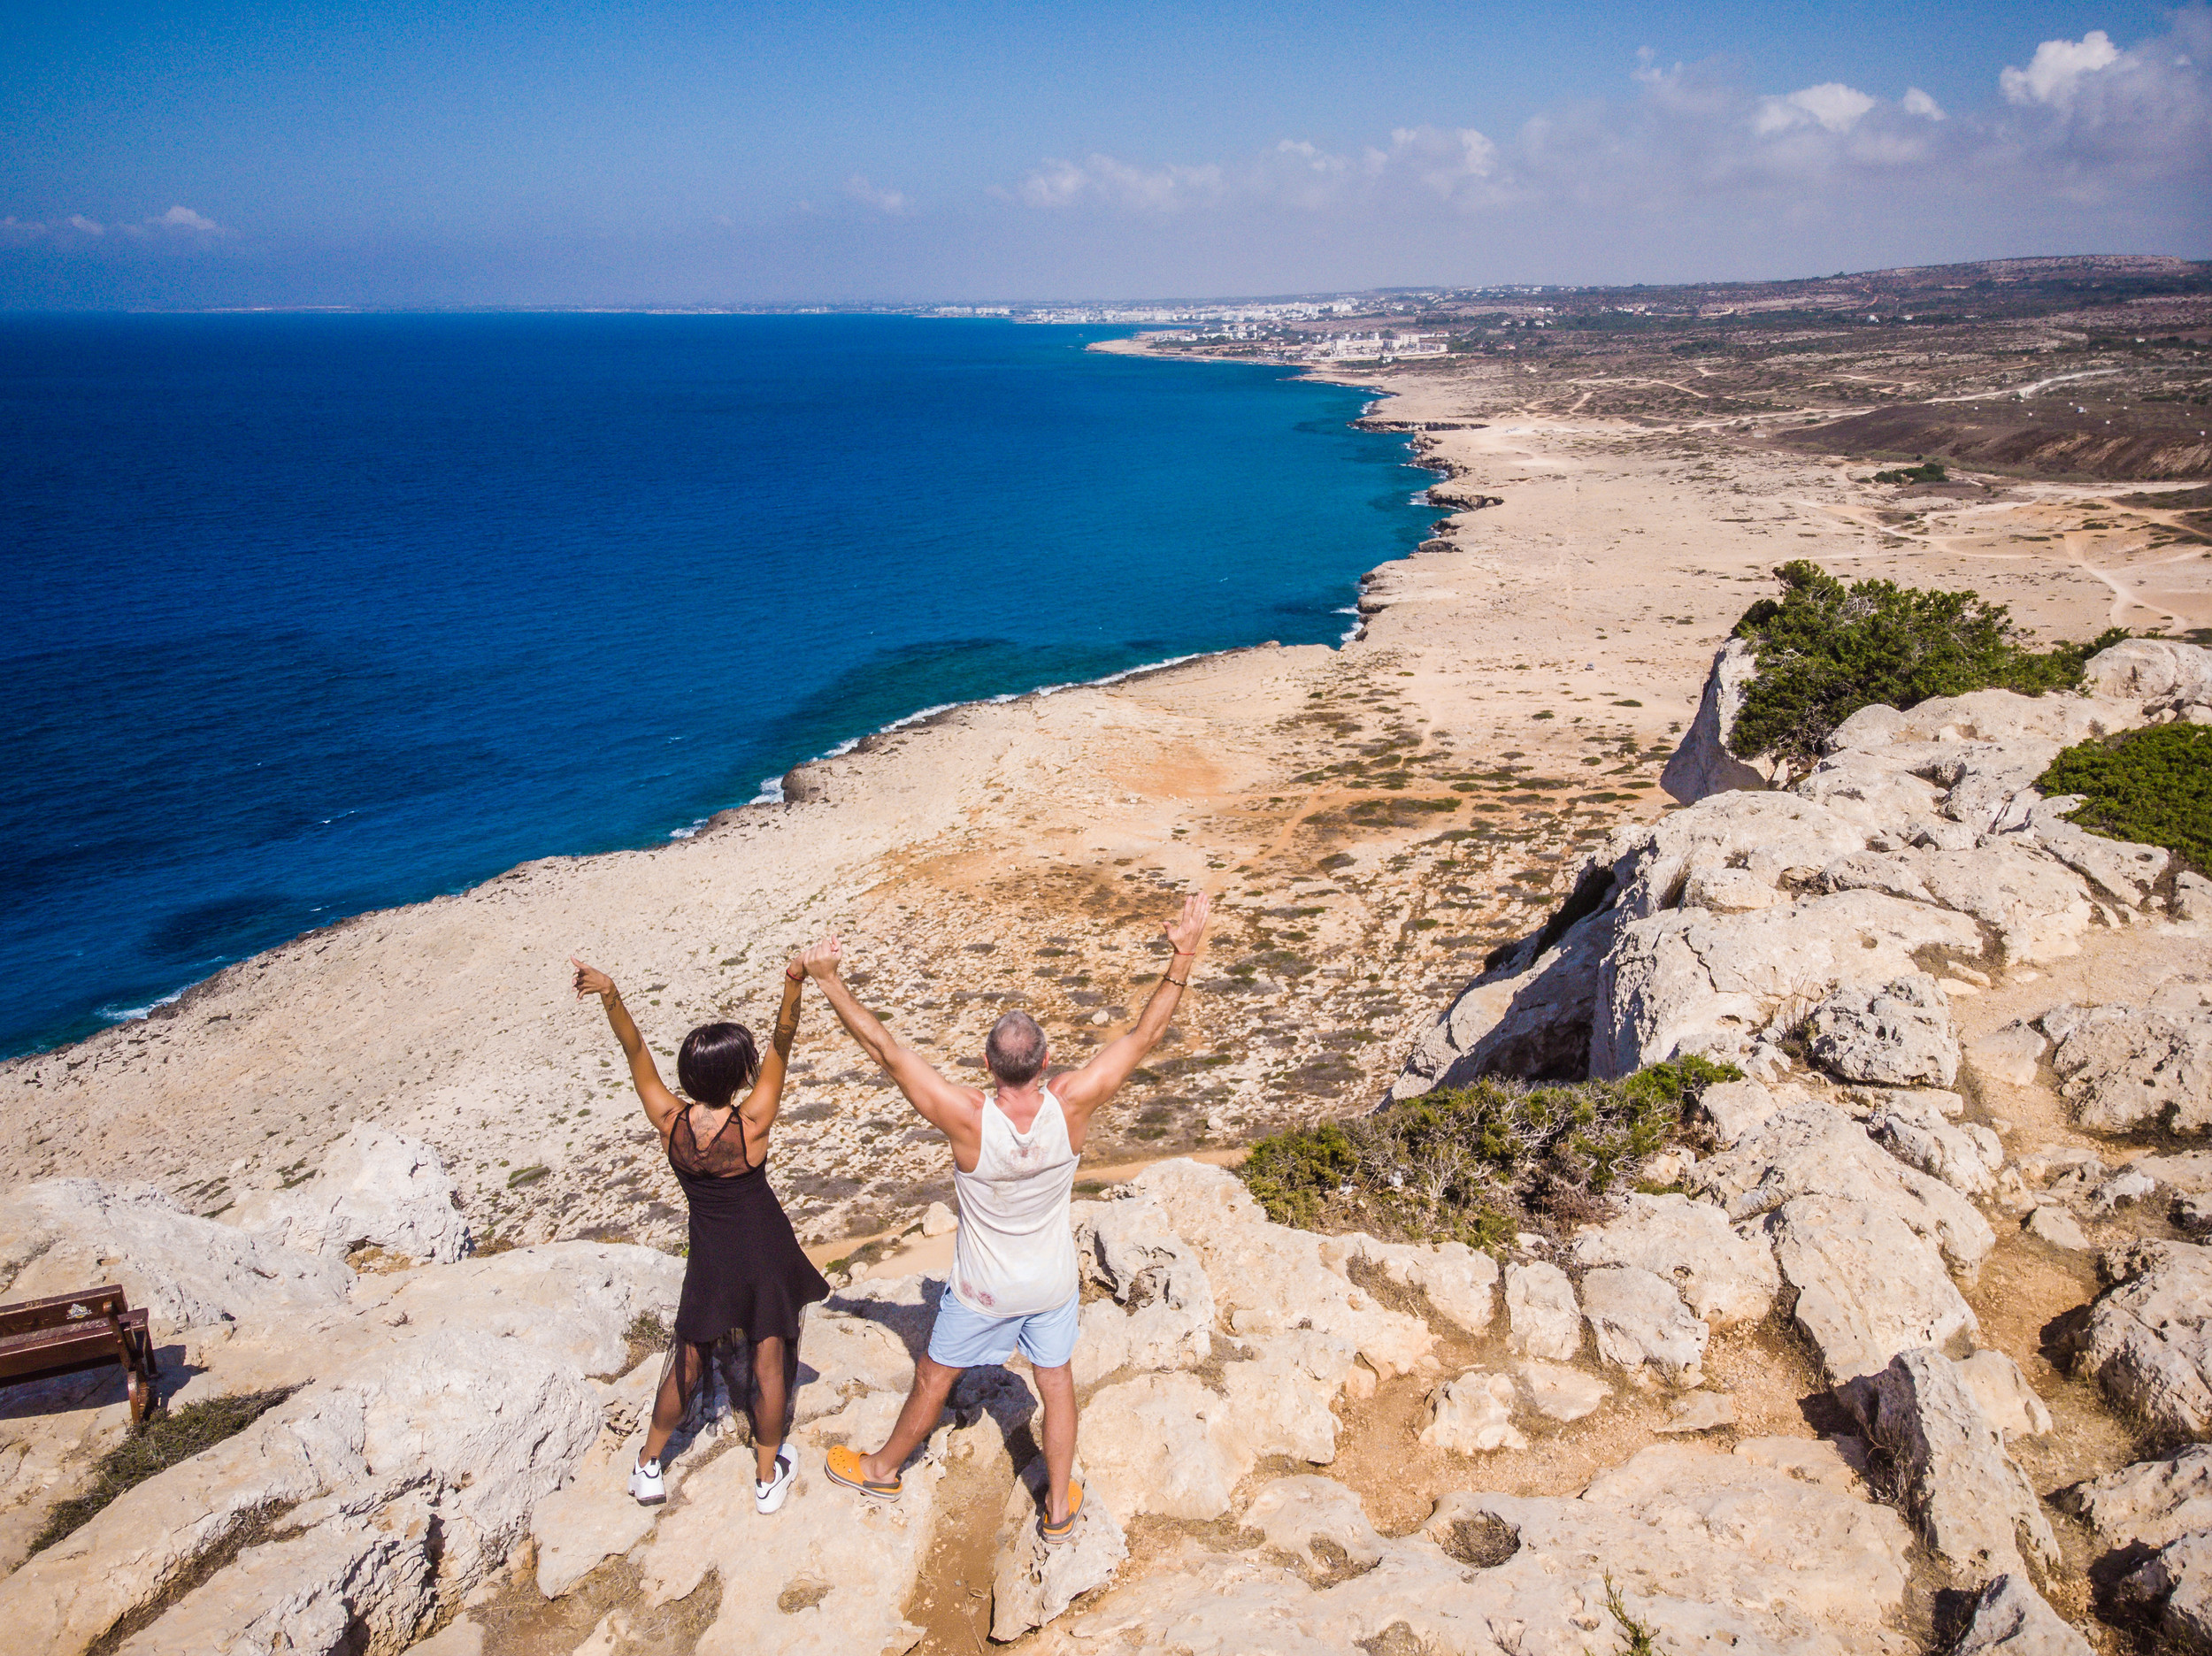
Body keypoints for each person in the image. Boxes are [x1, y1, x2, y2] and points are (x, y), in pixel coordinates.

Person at [802, 890, 1211, 1543]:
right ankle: (1056, 1510)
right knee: (1057, 1386)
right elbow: (1145, 1035)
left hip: (983, 1289)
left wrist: (829, 979)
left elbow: (886, 1051)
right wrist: (1184, 953)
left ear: (987, 1065)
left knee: (935, 1376)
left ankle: (881, 1467)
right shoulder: (1072, 1103)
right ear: (1047, 1063)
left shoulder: (968, 1118)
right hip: (1050, 1283)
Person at [571, 953, 829, 1515]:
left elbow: (634, 1050)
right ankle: (767, 1478)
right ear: (738, 1077)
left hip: (710, 1258)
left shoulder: (670, 1123)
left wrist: (610, 992)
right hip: (764, 1254)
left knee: (687, 1360)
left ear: (688, 1077)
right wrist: (793, 983)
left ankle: (648, 1464)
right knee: (768, 1363)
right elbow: (783, 1044)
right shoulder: (753, 1123)